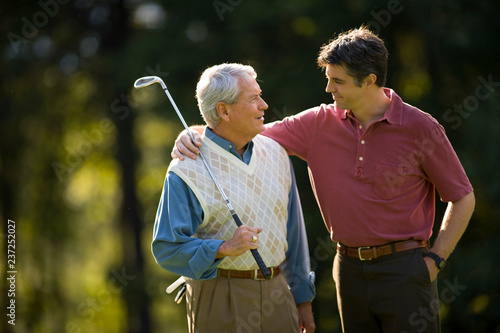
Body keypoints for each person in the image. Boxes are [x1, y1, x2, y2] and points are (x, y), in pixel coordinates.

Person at [173, 26, 475, 333]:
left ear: (369, 80)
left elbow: (462, 196)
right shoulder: (316, 123)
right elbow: (240, 132)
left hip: (406, 269)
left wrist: (435, 260)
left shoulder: (421, 128)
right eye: (329, 78)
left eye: (338, 81)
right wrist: (192, 133)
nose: (329, 88)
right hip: (348, 270)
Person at [152, 63, 316, 333]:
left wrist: (303, 300)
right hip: (219, 296)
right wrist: (223, 248)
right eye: (254, 99)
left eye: (260, 95)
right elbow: (167, 248)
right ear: (224, 111)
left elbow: (294, 234)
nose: (264, 105)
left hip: (279, 293)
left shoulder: (276, 152)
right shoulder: (185, 168)